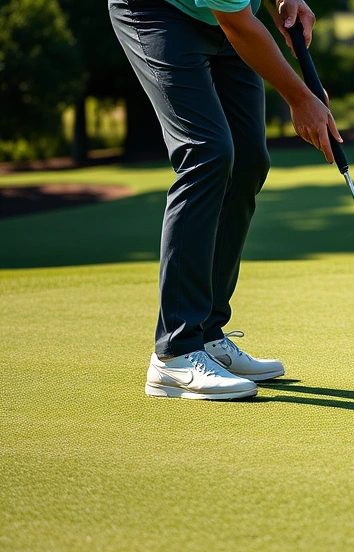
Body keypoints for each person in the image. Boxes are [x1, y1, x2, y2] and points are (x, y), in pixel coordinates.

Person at [109, 0, 341, 399]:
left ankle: (208, 335)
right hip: (157, 11)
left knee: (249, 158)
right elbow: (240, 26)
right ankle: (176, 354)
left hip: (225, 18)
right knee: (206, 153)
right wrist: (301, 98)